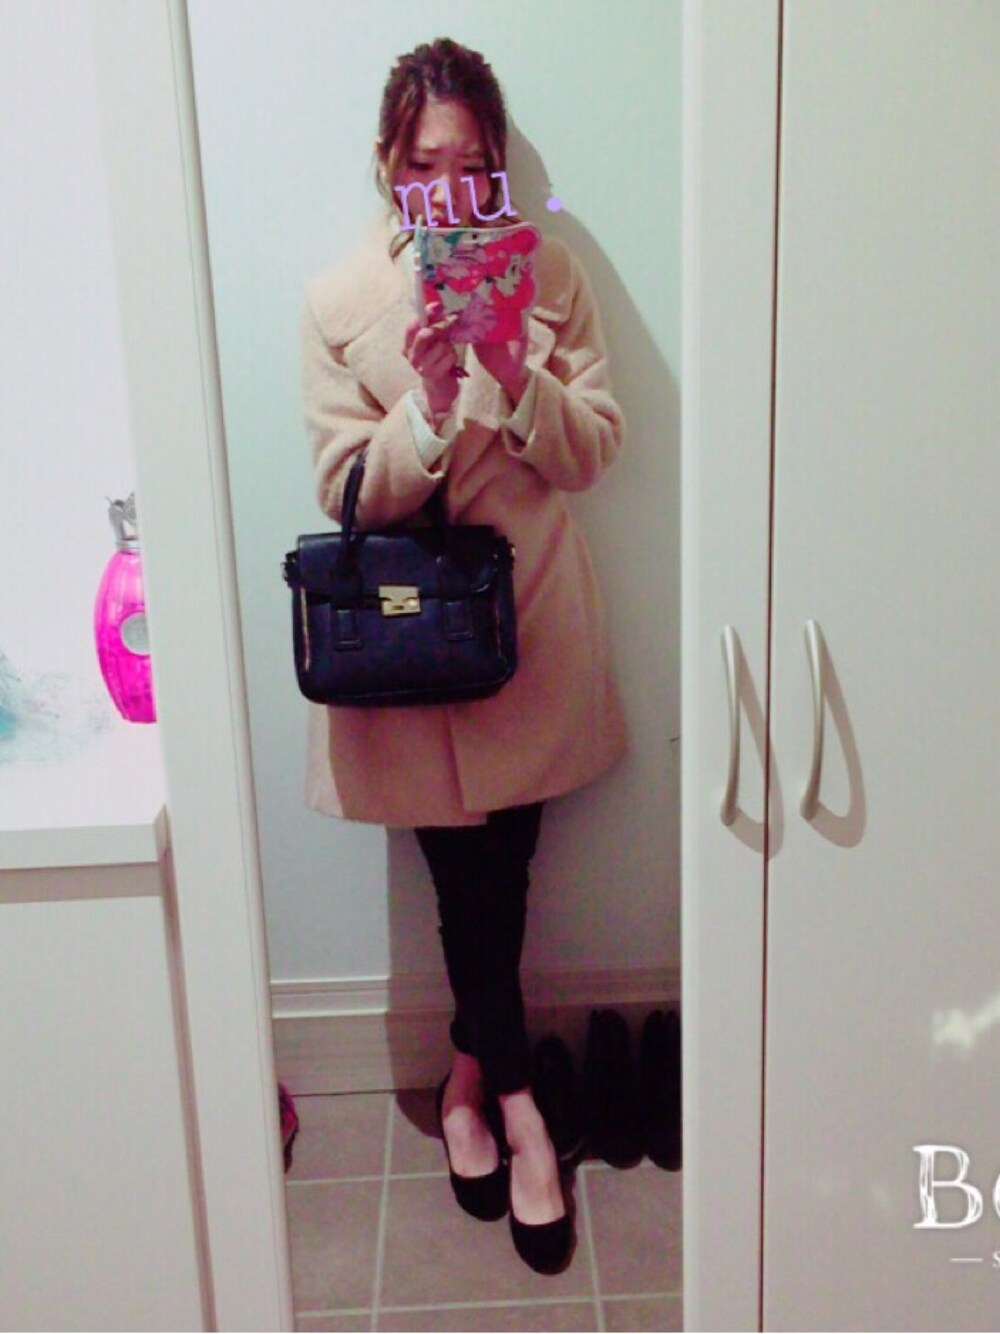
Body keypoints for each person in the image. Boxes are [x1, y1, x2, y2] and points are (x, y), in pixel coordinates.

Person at [300, 37, 627, 1274]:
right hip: (417, 643)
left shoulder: (550, 271)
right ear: (390, 165)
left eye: (472, 164)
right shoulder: (340, 303)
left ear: (498, 167)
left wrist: (508, 372)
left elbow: (595, 450)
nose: (448, 190)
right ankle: (520, 1110)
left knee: (510, 872)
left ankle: (465, 1088)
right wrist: (429, 408)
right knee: (465, 886)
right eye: (424, 165)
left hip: (530, 622)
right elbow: (344, 490)